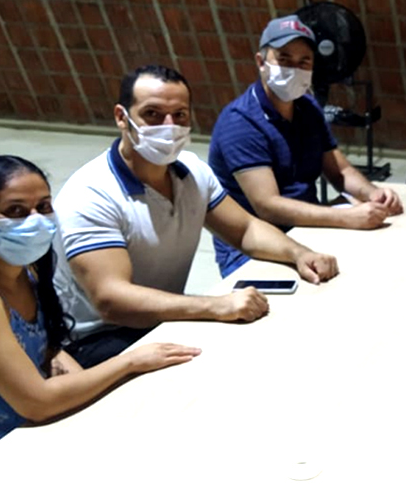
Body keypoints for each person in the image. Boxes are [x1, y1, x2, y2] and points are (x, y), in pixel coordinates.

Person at [0, 156, 200, 488]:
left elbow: (46, 348)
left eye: (43, 207)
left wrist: (92, 399)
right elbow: (37, 402)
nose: (36, 220)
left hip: (21, 436)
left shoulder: (25, 270)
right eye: (16, 211)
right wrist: (128, 362)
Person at [54, 65, 339, 368]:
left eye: (179, 115)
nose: (168, 126)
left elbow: (245, 230)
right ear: (121, 117)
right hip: (99, 338)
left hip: (159, 318)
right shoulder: (90, 195)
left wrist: (299, 253)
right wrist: (215, 306)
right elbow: (111, 301)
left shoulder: (192, 171)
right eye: (152, 114)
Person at [208, 15, 403, 276]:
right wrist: (347, 217)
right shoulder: (240, 122)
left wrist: (372, 193)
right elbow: (268, 205)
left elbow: (340, 171)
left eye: (304, 62)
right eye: (284, 59)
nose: (294, 69)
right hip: (255, 248)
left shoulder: (307, 107)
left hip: (308, 229)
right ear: (261, 62)